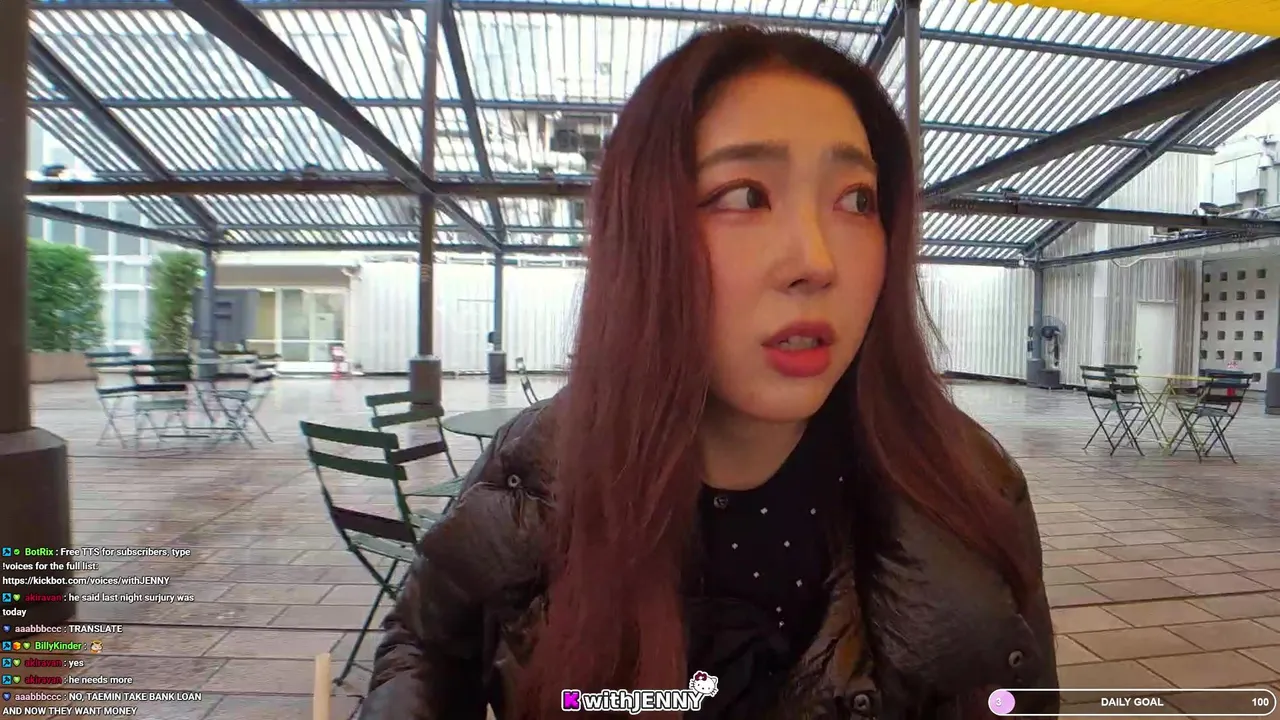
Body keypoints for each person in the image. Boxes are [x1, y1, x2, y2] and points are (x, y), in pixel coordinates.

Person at [360, 25, 1058, 719]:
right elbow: (424, 642)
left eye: (856, 200)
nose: (816, 261)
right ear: (642, 236)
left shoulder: (967, 484)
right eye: (747, 196)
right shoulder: (533, 469)